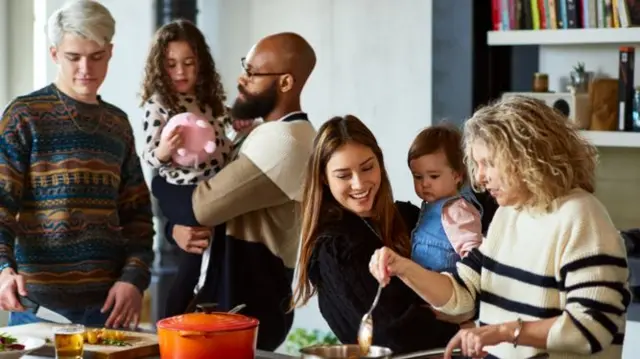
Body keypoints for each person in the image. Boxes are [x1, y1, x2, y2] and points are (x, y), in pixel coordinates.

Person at [369, 96, 631, 359]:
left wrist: (503, 332)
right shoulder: (509, 215)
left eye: (488, 163)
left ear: (527, 156)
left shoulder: (580, 215)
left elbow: (593, 326)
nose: (480, 178)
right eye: (477, 164)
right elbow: (462, 295)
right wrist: (402, 267)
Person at [151, 32, 317, 350]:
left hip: (244, 312)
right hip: (221, 304)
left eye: (253, 73)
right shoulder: (259, 133)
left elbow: (201, 205)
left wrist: (159, 179)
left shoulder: (285, 141)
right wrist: (176, 230)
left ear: (285, 83)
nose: (242, 79)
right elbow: (200, 205)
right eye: (246, 67)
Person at [0, 0, 154, 328]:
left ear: (110, 52)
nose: (86, 68)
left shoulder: (117, 124)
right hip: (37, 309)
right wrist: (2, 270)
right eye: (74, 57)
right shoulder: (24, 116)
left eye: (96, 56)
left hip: (110, 310)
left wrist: (133, 278)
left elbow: (138, 215)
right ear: (54, 54)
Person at [292, 115, 463, 354]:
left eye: (367, 168)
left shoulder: (411, 217)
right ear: (324, 178)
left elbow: (475, 280)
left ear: (379, 162)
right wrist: (464, 325)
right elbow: (391, 335)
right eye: (343, 175)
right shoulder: (333, 249)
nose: (359, 184)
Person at [138, 19, 238, 319]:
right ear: (159, 67)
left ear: (201, 64)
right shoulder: (159, 104)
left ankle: (208, 321)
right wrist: (164, 151)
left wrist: (240, 124)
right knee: (192, 264)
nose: (180, 72)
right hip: (183, 189)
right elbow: (149, 154)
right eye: (170, 64)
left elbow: (225, 133)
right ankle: (168, 327)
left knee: (214, 257)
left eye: (188, 63)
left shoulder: (209, 102)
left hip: (214, 185)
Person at [407, 125, 483, 272]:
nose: (424, 183)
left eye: (434, 176)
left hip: (448, 290)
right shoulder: (430, 209)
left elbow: (474, 257)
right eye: (417, 177)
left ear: (457, 175)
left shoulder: (457, 210)